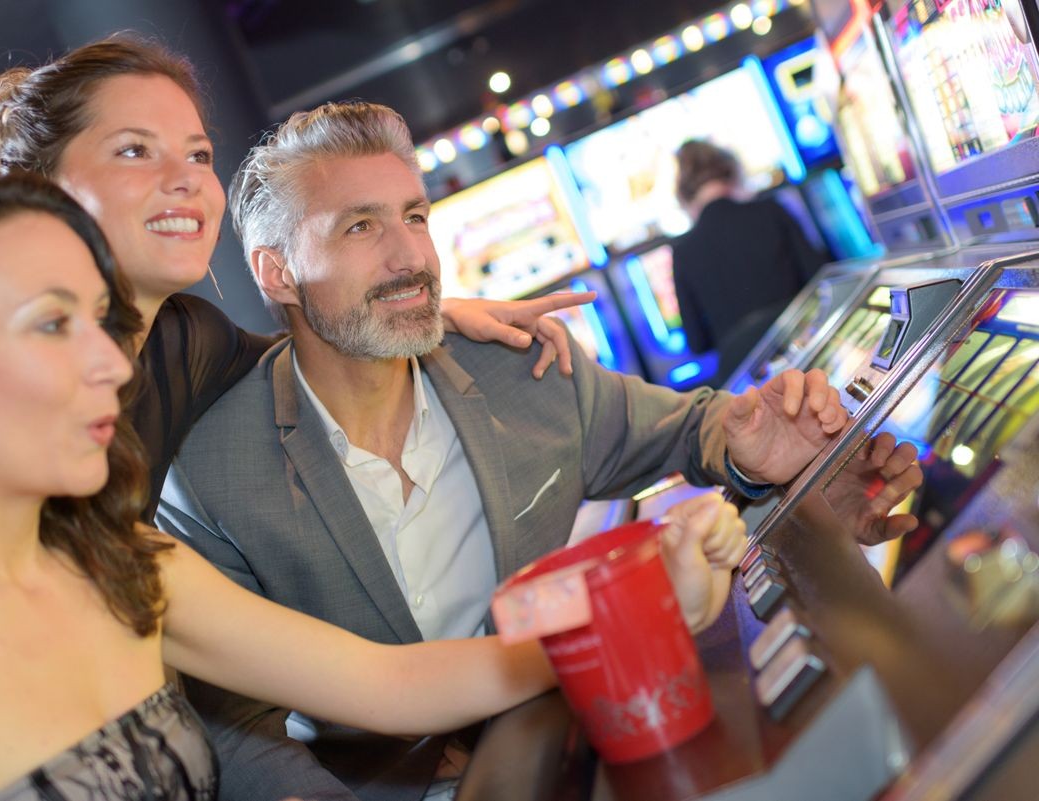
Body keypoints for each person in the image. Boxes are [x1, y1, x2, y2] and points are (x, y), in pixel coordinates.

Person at [158, 102, 922, 801]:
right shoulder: (211, 470)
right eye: (360, 226)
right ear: (277, 271)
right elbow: (234, 724)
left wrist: (767, 448)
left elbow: (693, 428)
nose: (407, 256)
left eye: (414, 216)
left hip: (582, 752)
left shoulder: (522, 370)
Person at [0, 173, 668, 800]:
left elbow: (389, 683)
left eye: (103, 322)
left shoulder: (123, 565)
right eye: (53, 324)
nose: (108, 361)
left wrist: (638, 606)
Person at [0, 35, 592, 522]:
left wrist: (433, 309)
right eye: (135, 150)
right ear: (36, 188)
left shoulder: (186, 339)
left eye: (198, 154)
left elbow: (319, 340)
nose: (188, 177)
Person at [670, 139, 828, 385]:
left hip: (752, 384)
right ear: (732, 172)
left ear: (684, 194)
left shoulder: (682, 252)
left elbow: (697, 343)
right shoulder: (771, 211)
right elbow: (821, 278)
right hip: (810, 358)